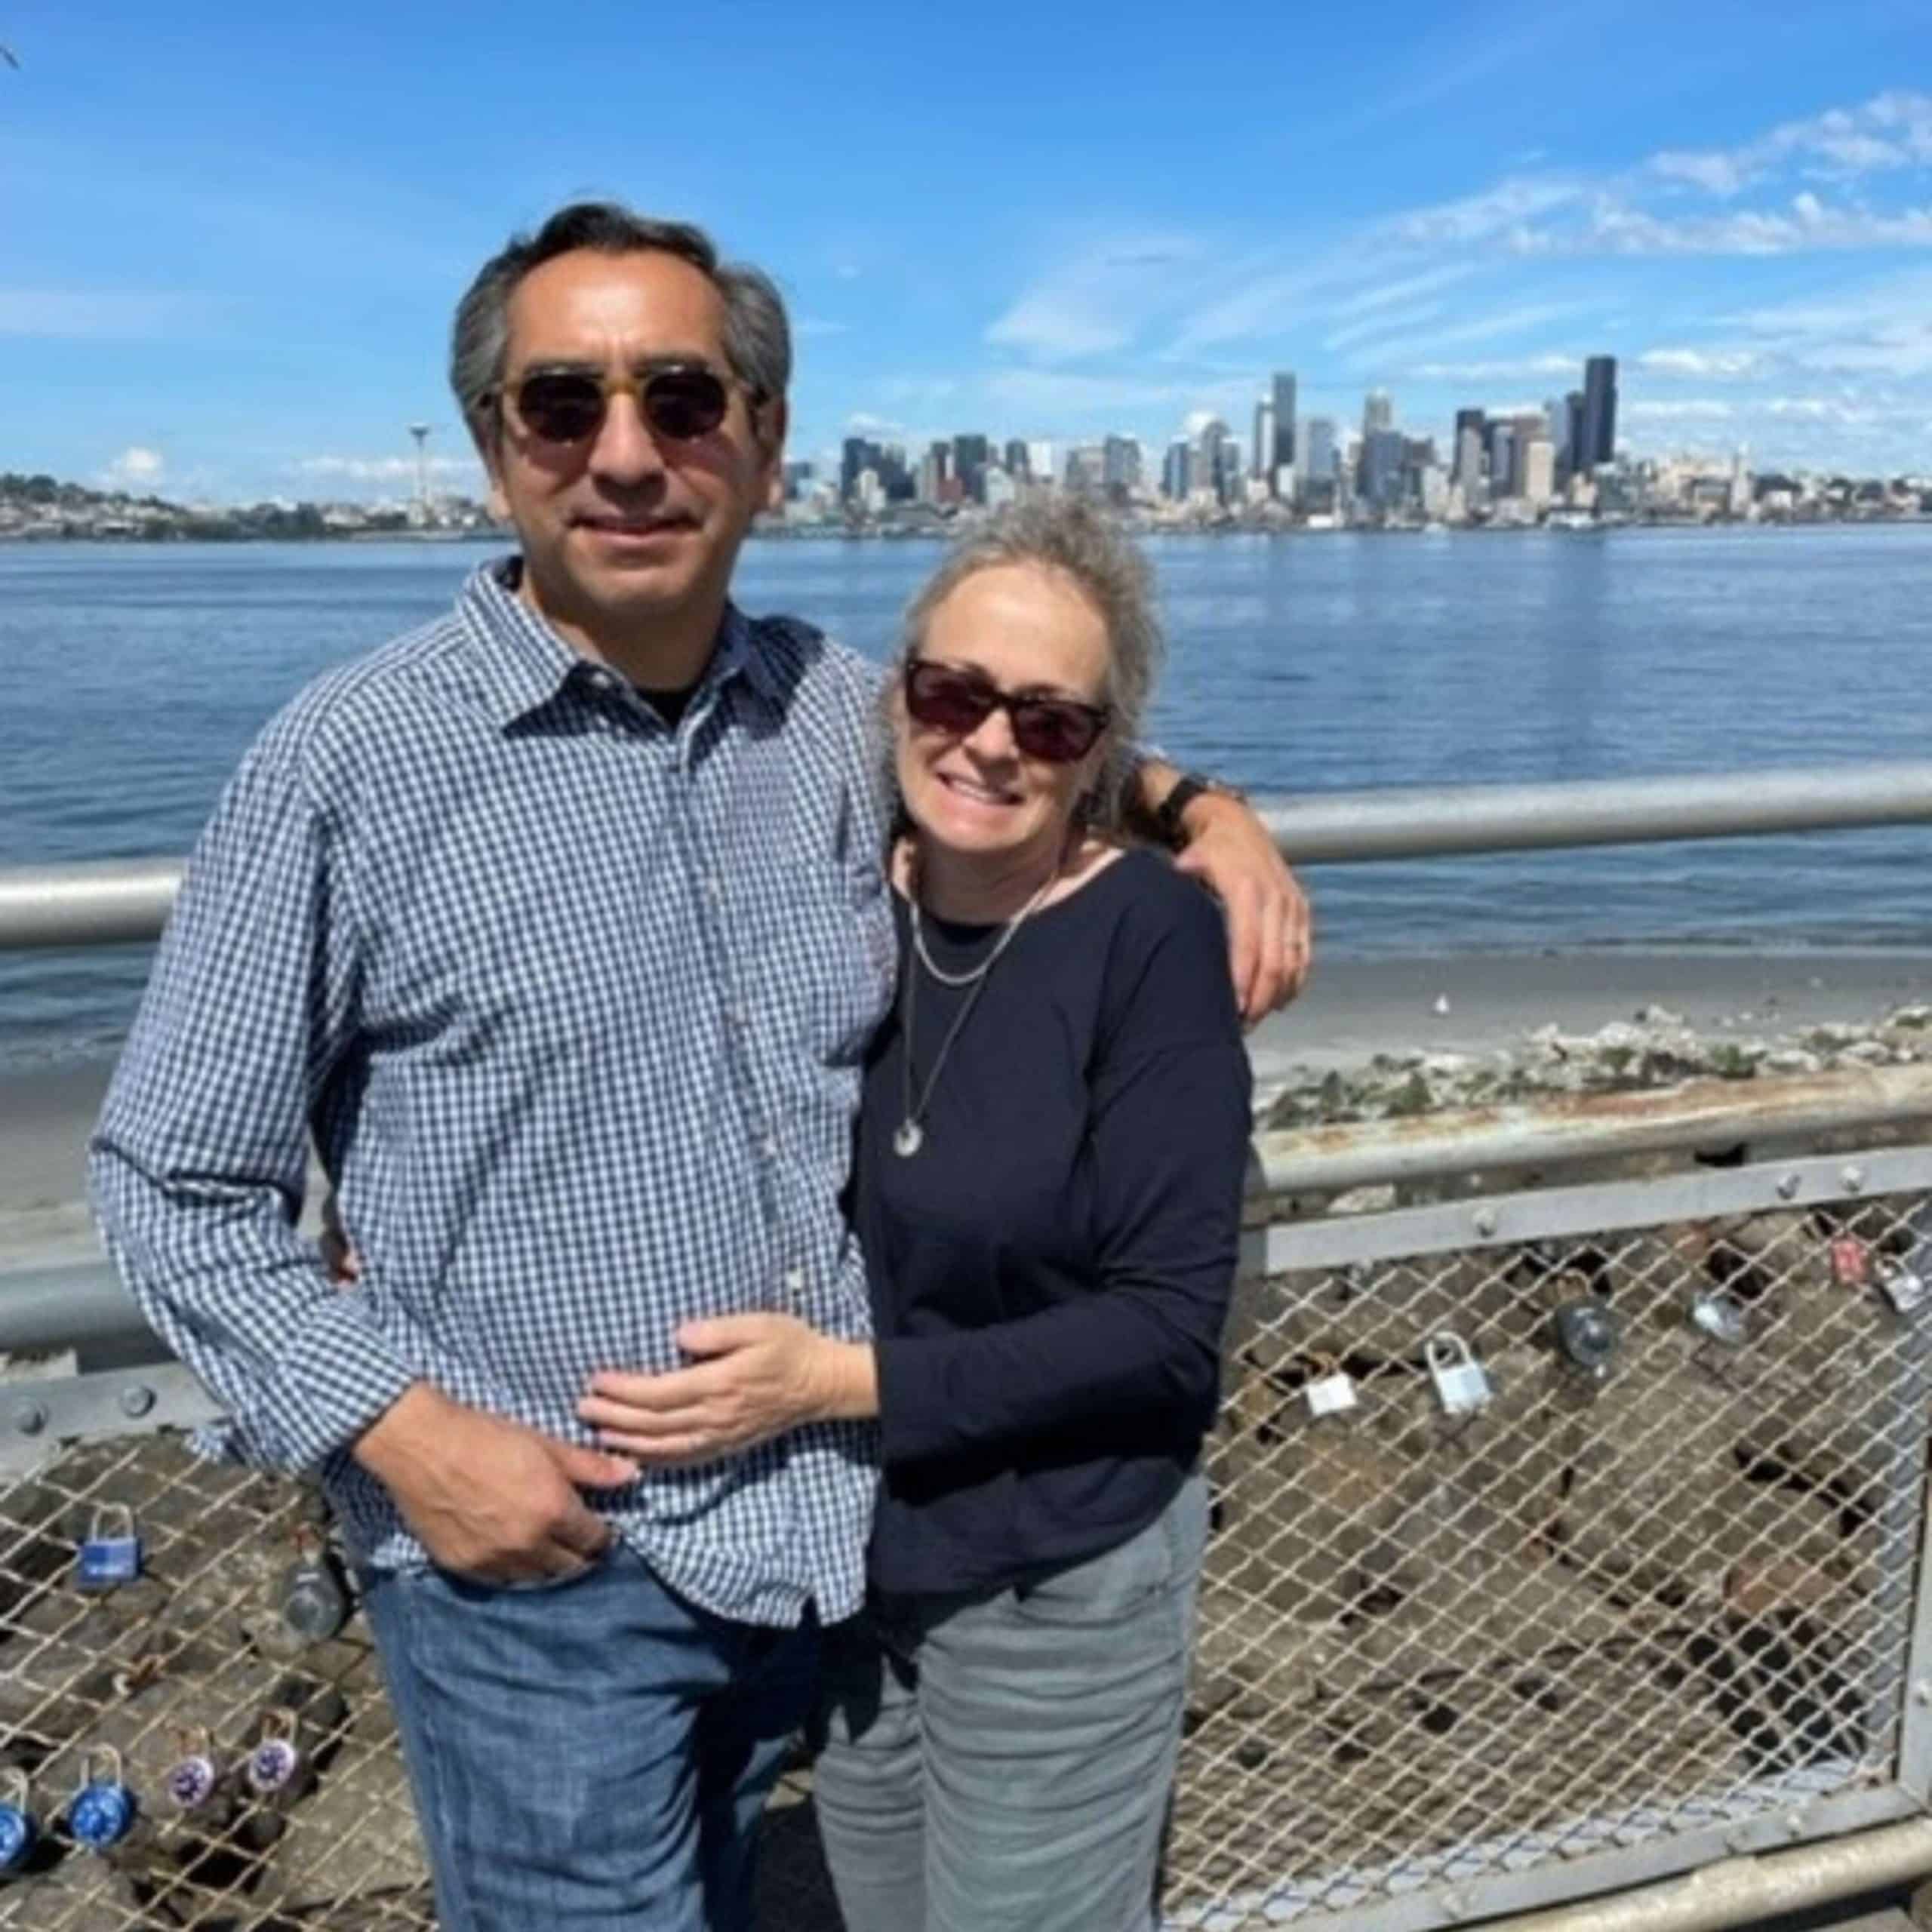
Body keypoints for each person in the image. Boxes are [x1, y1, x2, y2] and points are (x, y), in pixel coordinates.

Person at [89, 201, 1303, 1932]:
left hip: (816, 1549)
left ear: (764, 438)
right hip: (539, 1567)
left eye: (681, 396)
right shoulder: (347, 762)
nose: (628, 453)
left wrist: (1202, 809)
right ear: (493, 448)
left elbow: (1013, 719)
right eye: (563, 405)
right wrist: (409, 1433)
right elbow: (170, 1183)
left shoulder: (826, 707)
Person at [577, 500, 1251, 1931]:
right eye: (953, 694)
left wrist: (833, 1383)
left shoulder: (1149, 937)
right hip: (855, 1562)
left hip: (1054, 1565)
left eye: (1052, 723)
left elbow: (1167, 1331)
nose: (992, 743)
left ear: (1100, 750)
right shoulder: (846, 887)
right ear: (897, 697)